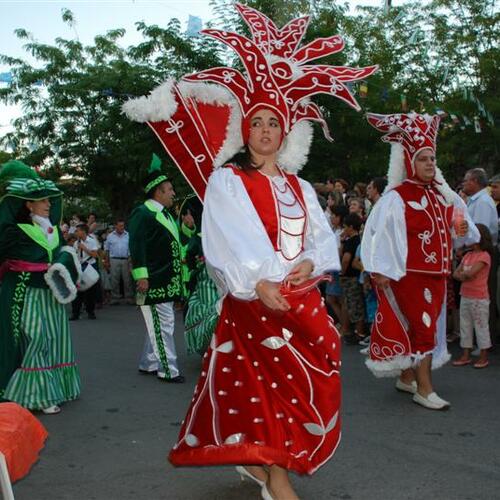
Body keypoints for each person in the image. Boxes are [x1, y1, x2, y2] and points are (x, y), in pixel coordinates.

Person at [123, 4, 378, 498]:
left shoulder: (302, 187)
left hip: (301, 297)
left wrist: (310, 262)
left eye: (273, 123)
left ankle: (262, 463)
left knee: (312, 378)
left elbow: (320, 238)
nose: (265, 130)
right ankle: (276, 477)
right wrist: (255, 282)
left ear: (284, 133)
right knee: (268, 389)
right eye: (257, 122)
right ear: (247, 131)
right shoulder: (228, 180)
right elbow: (225, 238)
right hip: (255, 298)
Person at [361, 112, 479, 411]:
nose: (430, 164)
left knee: (417, 330)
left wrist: (459, 229)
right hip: (409, 277)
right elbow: (379, 235)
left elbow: (463, 231)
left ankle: (406, 376)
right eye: (423, 158)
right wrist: (381, 271)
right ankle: (424, 389)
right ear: (410, 162)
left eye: (432, 159)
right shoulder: (397, 197)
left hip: (437, 277)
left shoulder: (444, 197)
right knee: (424, 330)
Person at [0, 160, 81, 414]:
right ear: (28, 203)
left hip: (51, 294)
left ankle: (55, 388)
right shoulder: (12, 231)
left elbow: (60, 255)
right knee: (36, 339)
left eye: (49, 200)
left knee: (55, 339)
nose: (49, 204)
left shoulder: (53, 230)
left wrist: (65, 260)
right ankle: (39, 395)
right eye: (43, 200)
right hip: (23, 293)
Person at [128, 155, 188, 383]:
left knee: (159, 323)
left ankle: (149, 362)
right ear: (158, 192)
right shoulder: (142, 213)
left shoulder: (166, 215)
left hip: (167, 279)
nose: (173, 193)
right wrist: (141, 276)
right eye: (170, 189)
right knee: (163, 325)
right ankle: (167, 369)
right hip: (153, 280)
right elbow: (137, 244)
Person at [452, 224, 493, 369]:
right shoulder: (468, 255)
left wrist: (464, 275)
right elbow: (456, 273)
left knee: (481, 326)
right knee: (465, 325)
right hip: (466, 295)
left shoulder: (485, 256)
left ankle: (483, 356)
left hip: (479, 297)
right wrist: (465, 276)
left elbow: (469, 273)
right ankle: (465, 354)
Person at [340, 213, 366, 343]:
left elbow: (346, 259)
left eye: (345, 226)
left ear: (351, 227)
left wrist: (342, 272)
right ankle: (355, 331)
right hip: (353, 277)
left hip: (351, 277)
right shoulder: (352, 240)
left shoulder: (353, 241)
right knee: (351, 304)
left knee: (355, 305)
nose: (344, 229)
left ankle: (359, 332)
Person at [71, 223, 100, 320]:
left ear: (83, 231)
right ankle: (75, 312)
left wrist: (85, 248)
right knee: (78, 290)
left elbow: (95, 255)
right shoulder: (76, 243)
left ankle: (90, 311)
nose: (76, 233)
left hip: (90, 266)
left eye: (77, 231)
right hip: (79, 266)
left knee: (90, 291)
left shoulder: (91, 241)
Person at [104, 219, 133, 304]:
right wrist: (106, 261)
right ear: (115, 226)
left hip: (126, 259)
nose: (121, 227)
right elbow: (107, 250)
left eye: (123, 226)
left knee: (127, 280)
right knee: (114, 280)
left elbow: (131, 248)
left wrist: (131, 260)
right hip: (114, 259)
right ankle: (115, 298)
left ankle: (129, 297)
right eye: (120, 226)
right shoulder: (110, 236)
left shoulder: (128, 235)